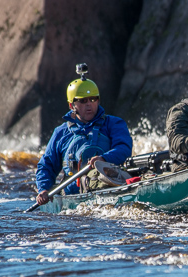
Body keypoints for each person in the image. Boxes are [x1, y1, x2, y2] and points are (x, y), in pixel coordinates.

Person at [36, 64, 133, 205]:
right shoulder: (61, 133)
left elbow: (124, 149)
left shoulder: (114, 124)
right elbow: (47, 165)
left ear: (98, 100)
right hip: (73, 195)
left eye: (93, 99)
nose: (89, 104)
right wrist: (43, 189)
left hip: (109, 187)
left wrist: (104, 158)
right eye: (82, 101)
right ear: (71, 105)